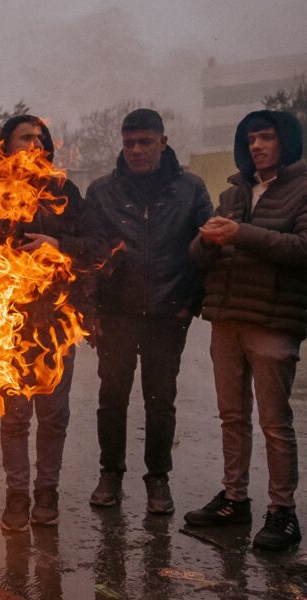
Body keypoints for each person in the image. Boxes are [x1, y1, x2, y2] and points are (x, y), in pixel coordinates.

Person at [185, 110, 306, 552]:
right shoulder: (233, 194)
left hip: (273, 320)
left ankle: (283, 512)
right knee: (232, 417)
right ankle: (234, 499)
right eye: (251, 139)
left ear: (286, 142)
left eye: (266, 138)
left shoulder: (303, 189)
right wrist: (207, 241)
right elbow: (199, 256)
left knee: (275, 422)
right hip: (227, 319)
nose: (257, 146)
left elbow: (302, 250)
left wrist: (240, 234)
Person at [86, 109, 212, 515]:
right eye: (129, 143)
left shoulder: (190, 189)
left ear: (163, 141)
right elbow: (87, 254)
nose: (136, 150)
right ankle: (110, 474)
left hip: (166, 313)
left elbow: (206, 251)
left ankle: (158, 479)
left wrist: (189, 305)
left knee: (160, 401)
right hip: (117, 314)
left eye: (145, 142)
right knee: (112, 397)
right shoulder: (102, 191)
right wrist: (92, 310)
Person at [0, 115, 109, 531]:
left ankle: (47, 492)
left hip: (58, 320)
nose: (35, 143)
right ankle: (17, 495)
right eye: (26, 137)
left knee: (54, 415)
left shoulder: (64, 192)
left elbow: (97, 246)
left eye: (41, 138)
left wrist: (59, 245)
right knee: (16, 417)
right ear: (7, 145)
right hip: (8, 321)